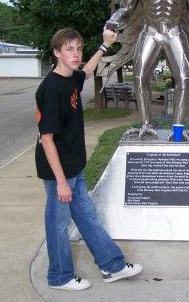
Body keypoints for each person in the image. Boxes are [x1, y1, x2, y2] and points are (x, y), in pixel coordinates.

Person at [35, 28, 143, 291]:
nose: (76, 54)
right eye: (69, 49)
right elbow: (46, 139)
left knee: (87, 218)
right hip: (58, 172)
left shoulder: (71, 78)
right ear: (56, 52)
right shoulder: (51, 89)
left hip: (74, 168)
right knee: (58, 226)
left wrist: (104, 46)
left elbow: (89, 70)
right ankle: (60, 276)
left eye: (79, 49)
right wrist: (60, 181)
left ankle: (112, 265)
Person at [105, 0, 189, 138]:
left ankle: (177, 129)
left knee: (185, 78)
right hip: (151, 32)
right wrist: (112, 22)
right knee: (139, 77)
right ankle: (146, 125)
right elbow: (126, 9)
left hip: (174, 31)